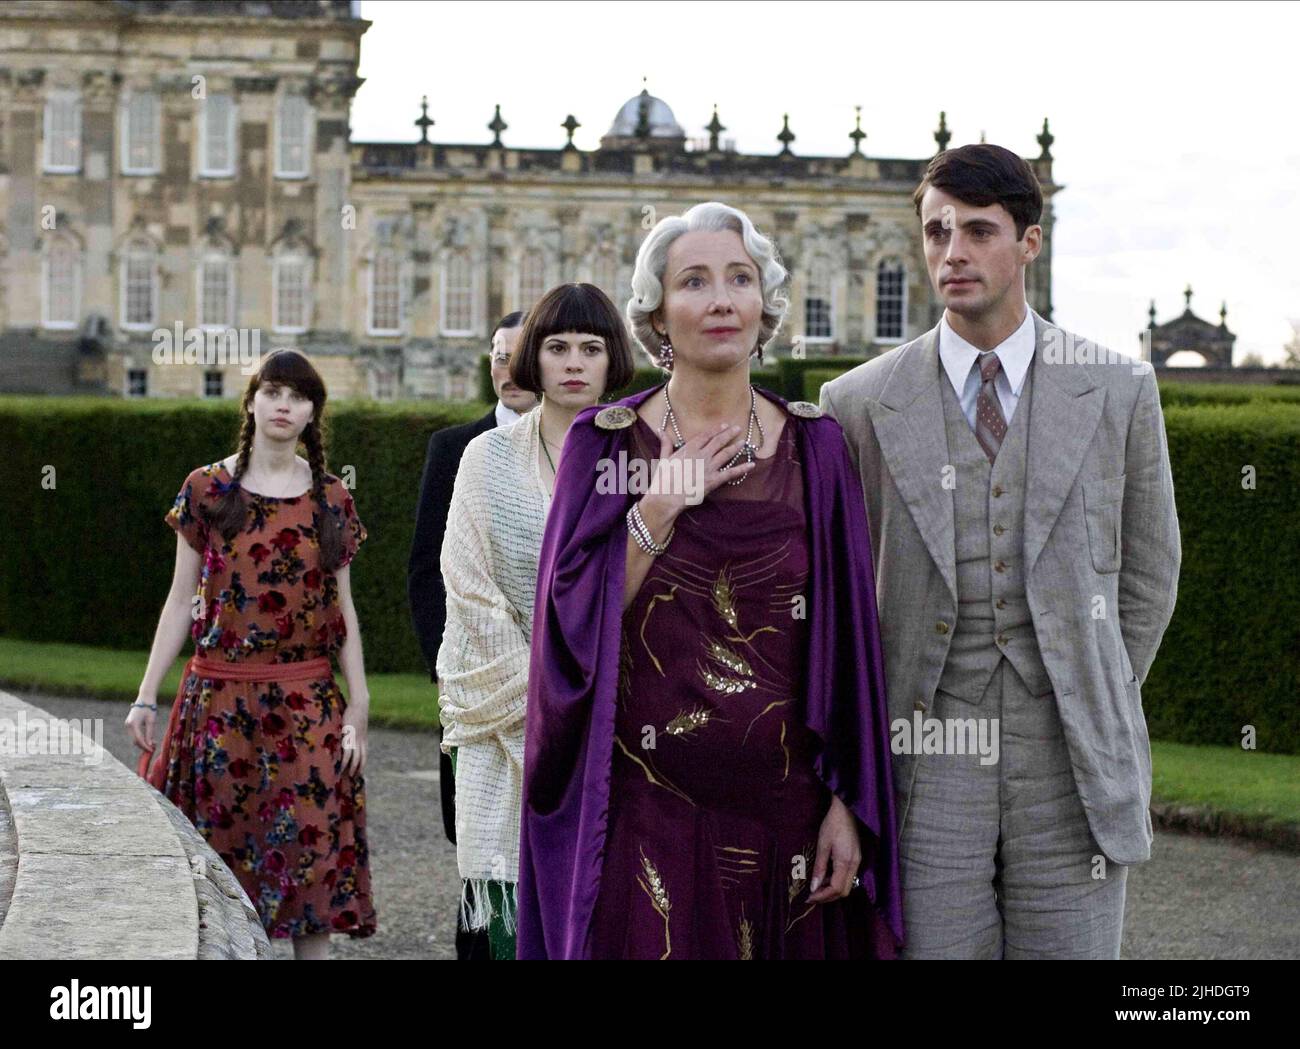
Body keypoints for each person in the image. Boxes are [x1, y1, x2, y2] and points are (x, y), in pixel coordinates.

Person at [820, 143, 1182, 959]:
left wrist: (1095, 683)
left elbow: (1151, 569)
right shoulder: (857, 402)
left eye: (978, 230)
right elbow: (840, 590)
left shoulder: (1119, 388)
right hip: (924, 754)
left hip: (1071, 755)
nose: (953, 252)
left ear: (1029, 242)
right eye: (936, 230)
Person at [517, 202, 904, 960]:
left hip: (789, 819)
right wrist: (657, 507)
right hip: (642, 814)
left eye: (740, 279)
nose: (721, 299)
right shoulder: (604, 445)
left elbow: (853, 642)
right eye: (694, 281)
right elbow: (565, 633)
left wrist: (846, 805)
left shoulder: (818, 448)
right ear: (657, 314)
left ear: (766, 307)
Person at [127, 348, 376, 960]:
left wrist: (360, 704)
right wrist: (145, 693)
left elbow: (343, 609)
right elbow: (179, 598)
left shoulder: (331, 499)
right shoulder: (207, 490)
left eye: (297, 395)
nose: (284, 405)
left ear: (314, 410)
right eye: (272, 392)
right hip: (216, 706)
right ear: (252, 401)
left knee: (310, 865)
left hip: (307, 702)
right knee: (217, 873)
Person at [437, 283, 634, 960]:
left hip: (612, 725)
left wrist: (589, 703)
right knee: (506, 928)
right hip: (503, 724)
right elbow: (468, 586)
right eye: (556, 347)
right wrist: (549, 700)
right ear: (532, 359)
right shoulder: (485, 458)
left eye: (591, 347)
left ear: (613, 360)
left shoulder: (640, 455)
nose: (574, 361)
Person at [407, 311, 537, 959]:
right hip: (475, 697)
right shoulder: (455, 445)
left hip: (557, 695)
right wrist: (458, 673)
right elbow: (426, 574)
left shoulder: (591, 447)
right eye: (496, 354)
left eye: (519, 354)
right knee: (480, 856)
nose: (506, 368)